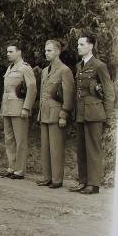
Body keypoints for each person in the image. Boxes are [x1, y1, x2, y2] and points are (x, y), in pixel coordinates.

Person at [70, 33, 116, 194]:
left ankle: (94, 184)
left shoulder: (99, 66)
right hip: (82, 113)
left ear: (90, 46)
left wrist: (108, 116)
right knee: (82, 148)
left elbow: (109, 92)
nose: (79, 47)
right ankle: (83, 181)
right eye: (78, 44)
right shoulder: (78, 66)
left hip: (95, 113)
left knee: (93, 148)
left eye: (82, 44)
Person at [36, 39, 76, 189]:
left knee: (56, 148)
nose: (46, 53)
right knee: (45, 148)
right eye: (45, 51)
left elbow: (68, 94)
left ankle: (57, 179)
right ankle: (47, 177)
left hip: (56, 113)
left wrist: (64, 114)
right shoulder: (46, 70)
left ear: (58, 52)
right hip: (45, 112)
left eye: (49, 50)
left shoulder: (64, 70)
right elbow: (42, 93)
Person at [0, 41, 38, 179]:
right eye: (7, 52)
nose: (8, 54)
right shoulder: (9, 68)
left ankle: (19, 170)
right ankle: (11, 167)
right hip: (8, 108)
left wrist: (26, 108)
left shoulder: (25, 68)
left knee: (20, 140)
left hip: (19, 108)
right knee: (9, 139)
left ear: (19, 52)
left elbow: (32, 89)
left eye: (11, 51)